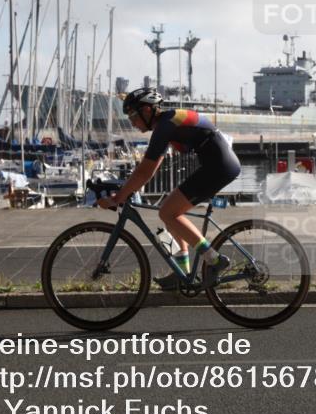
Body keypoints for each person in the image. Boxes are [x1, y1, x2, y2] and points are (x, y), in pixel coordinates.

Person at [99, 88, 241, 290]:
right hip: (217, 164)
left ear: (147, 110)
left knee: (168, 212)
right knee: (169, 214)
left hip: (218, 166)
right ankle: (182, 272)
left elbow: (145, 172)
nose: (132, 122)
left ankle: (214, 259)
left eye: (133, 116)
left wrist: (118, 197)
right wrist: (127, 189)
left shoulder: (166, 125)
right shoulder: (167, 123)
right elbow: (149, 169)